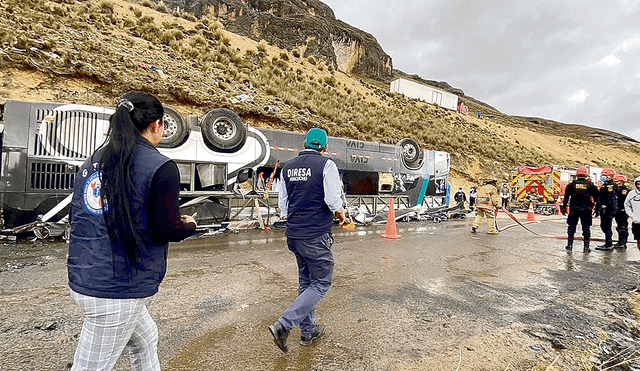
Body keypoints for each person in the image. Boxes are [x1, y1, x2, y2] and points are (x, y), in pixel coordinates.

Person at [67, 92, 197, 370]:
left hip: (86, 273)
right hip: (117, 288)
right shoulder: (160, 166)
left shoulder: (93, 161)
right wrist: (189, 225)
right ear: (156, 125)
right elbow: (167, 229)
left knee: (145, 339)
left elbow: (80, 216)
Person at [269, 127, 346, 352]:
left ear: (304, 143)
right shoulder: (326, 165)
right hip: (315, 235)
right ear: (324, 146)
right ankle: (284, 324)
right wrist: (341, 213)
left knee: (306, 283)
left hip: (294, 235)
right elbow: (333, 200)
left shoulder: (288, 167)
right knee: (321, 282)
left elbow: (283, 206)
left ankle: (308, 331)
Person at [561, 166, 599, 252]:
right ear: (586, 175)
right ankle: (586, 247)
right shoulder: (590, 185)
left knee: (571, 227)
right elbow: (597, 198)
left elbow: (566, 198)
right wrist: (597, 209)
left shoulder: (571, 185)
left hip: (574, 209)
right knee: (586, 228)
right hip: (586, 209)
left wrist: (563, 208)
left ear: (577, 174)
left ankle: (569, 245)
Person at [595, 167, 618, 251]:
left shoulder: (611, 185)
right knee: (604, 225)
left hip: (608, 208)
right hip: (605, 208)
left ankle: (608, 244)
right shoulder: (605, 184)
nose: (603, 177)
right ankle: (608, 242)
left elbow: (609, 197)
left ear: (611, 176)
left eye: (605, 175)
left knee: (606, 225)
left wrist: (605, 205)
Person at [624, 176, 640, 260]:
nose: (639, 186)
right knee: (638, 240)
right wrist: (632, 215)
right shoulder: (631, 194)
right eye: (638, 184)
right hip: (636, 221)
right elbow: (627, 205)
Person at [613, 174, 630, 248]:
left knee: (622, 227)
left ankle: (622, 243)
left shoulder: (624, 190)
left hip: (622, 211)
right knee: (620, 226)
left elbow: (623, 201)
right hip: (619, 210)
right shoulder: (618, 189)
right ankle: (621, 241)